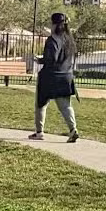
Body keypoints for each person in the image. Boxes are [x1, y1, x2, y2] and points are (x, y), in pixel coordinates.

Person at [30, 11, 78, 142]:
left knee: (41, 104)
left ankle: (39, 132)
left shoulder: (52, 40)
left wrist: (40, 60)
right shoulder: (69, 40)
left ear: (54, 24)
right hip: (66, 77)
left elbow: (51, 59)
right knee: (66, 106)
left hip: (50, 78)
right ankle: (73, 129)